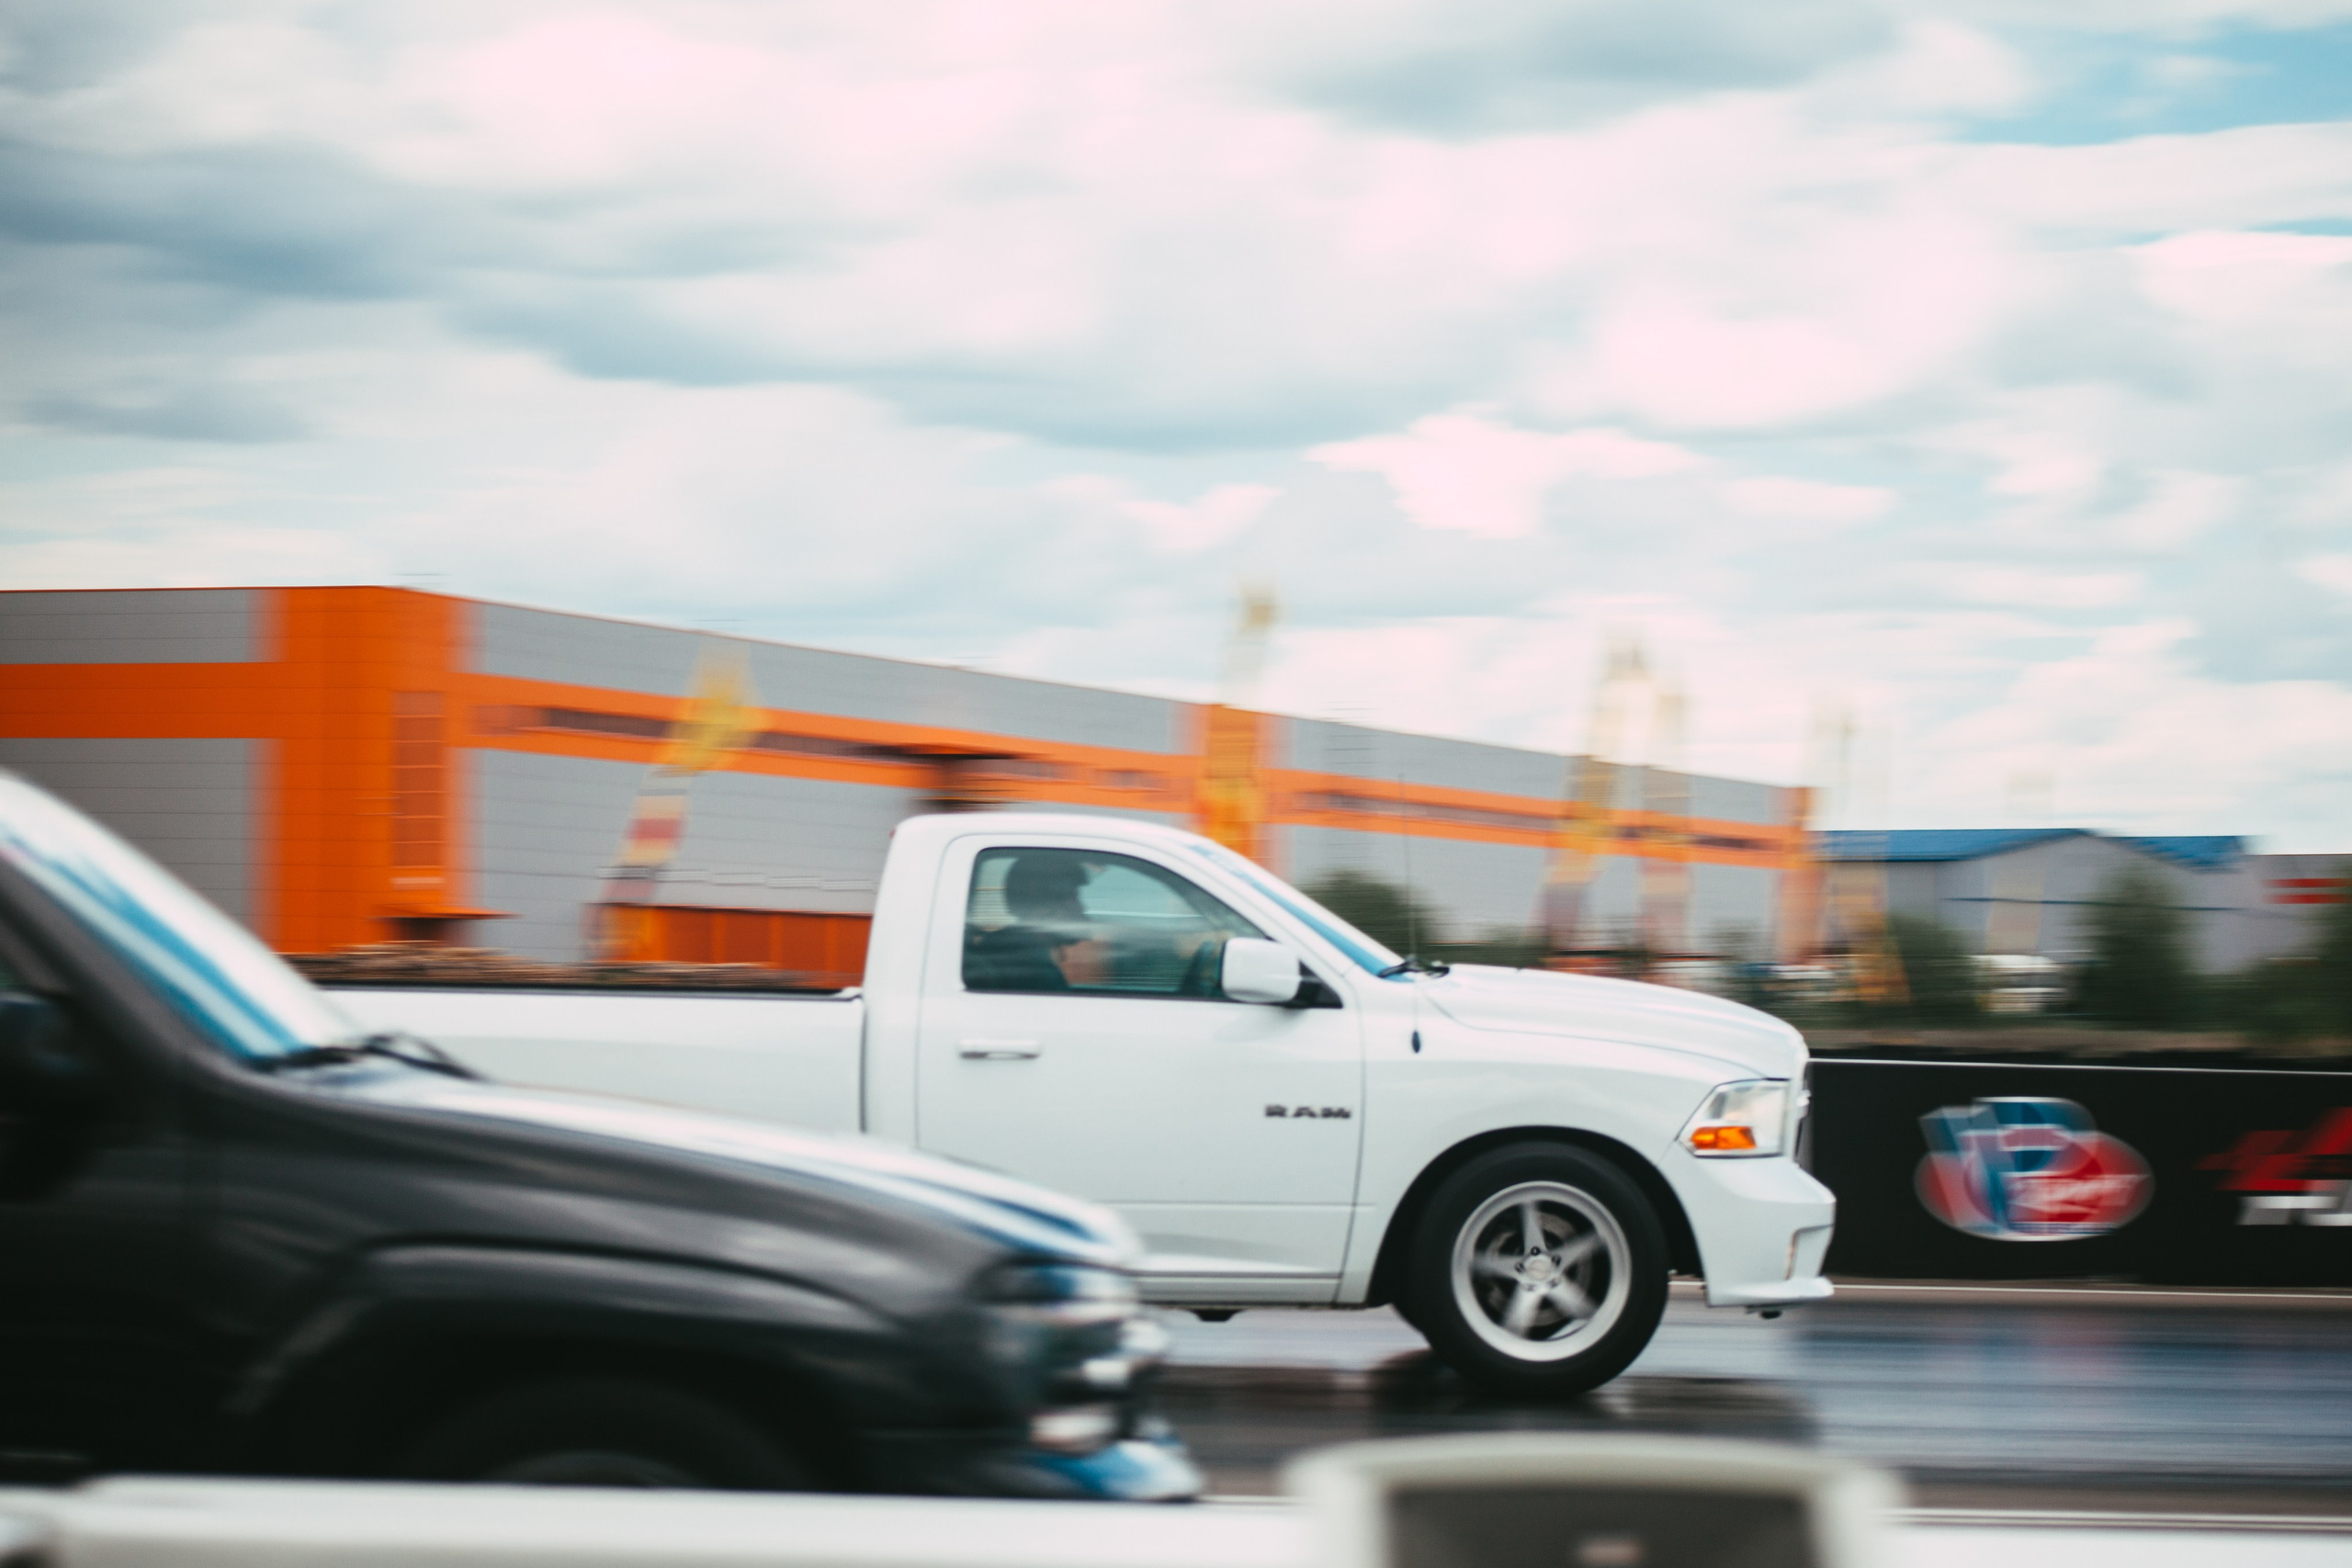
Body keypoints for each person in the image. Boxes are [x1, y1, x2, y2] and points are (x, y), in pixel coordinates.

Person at [965, 854, 1106, 991]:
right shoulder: (1028, 966)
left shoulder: (1009, 949)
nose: (1081, 908)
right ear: (1043, 905)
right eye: (1073, 897)